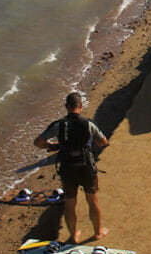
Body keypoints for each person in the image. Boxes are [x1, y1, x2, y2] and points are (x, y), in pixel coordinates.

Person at [34, 92, 109, 244]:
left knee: (70, 203)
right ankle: (98, 232)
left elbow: (38, 142)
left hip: (68, 167)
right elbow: (103, 141)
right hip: (86, 166)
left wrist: (54, 146)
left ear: (66, 107)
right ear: (80, 106)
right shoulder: (88, 124)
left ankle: (73, 236)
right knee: (92, 200)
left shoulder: (58, 125)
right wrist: (92, 143)